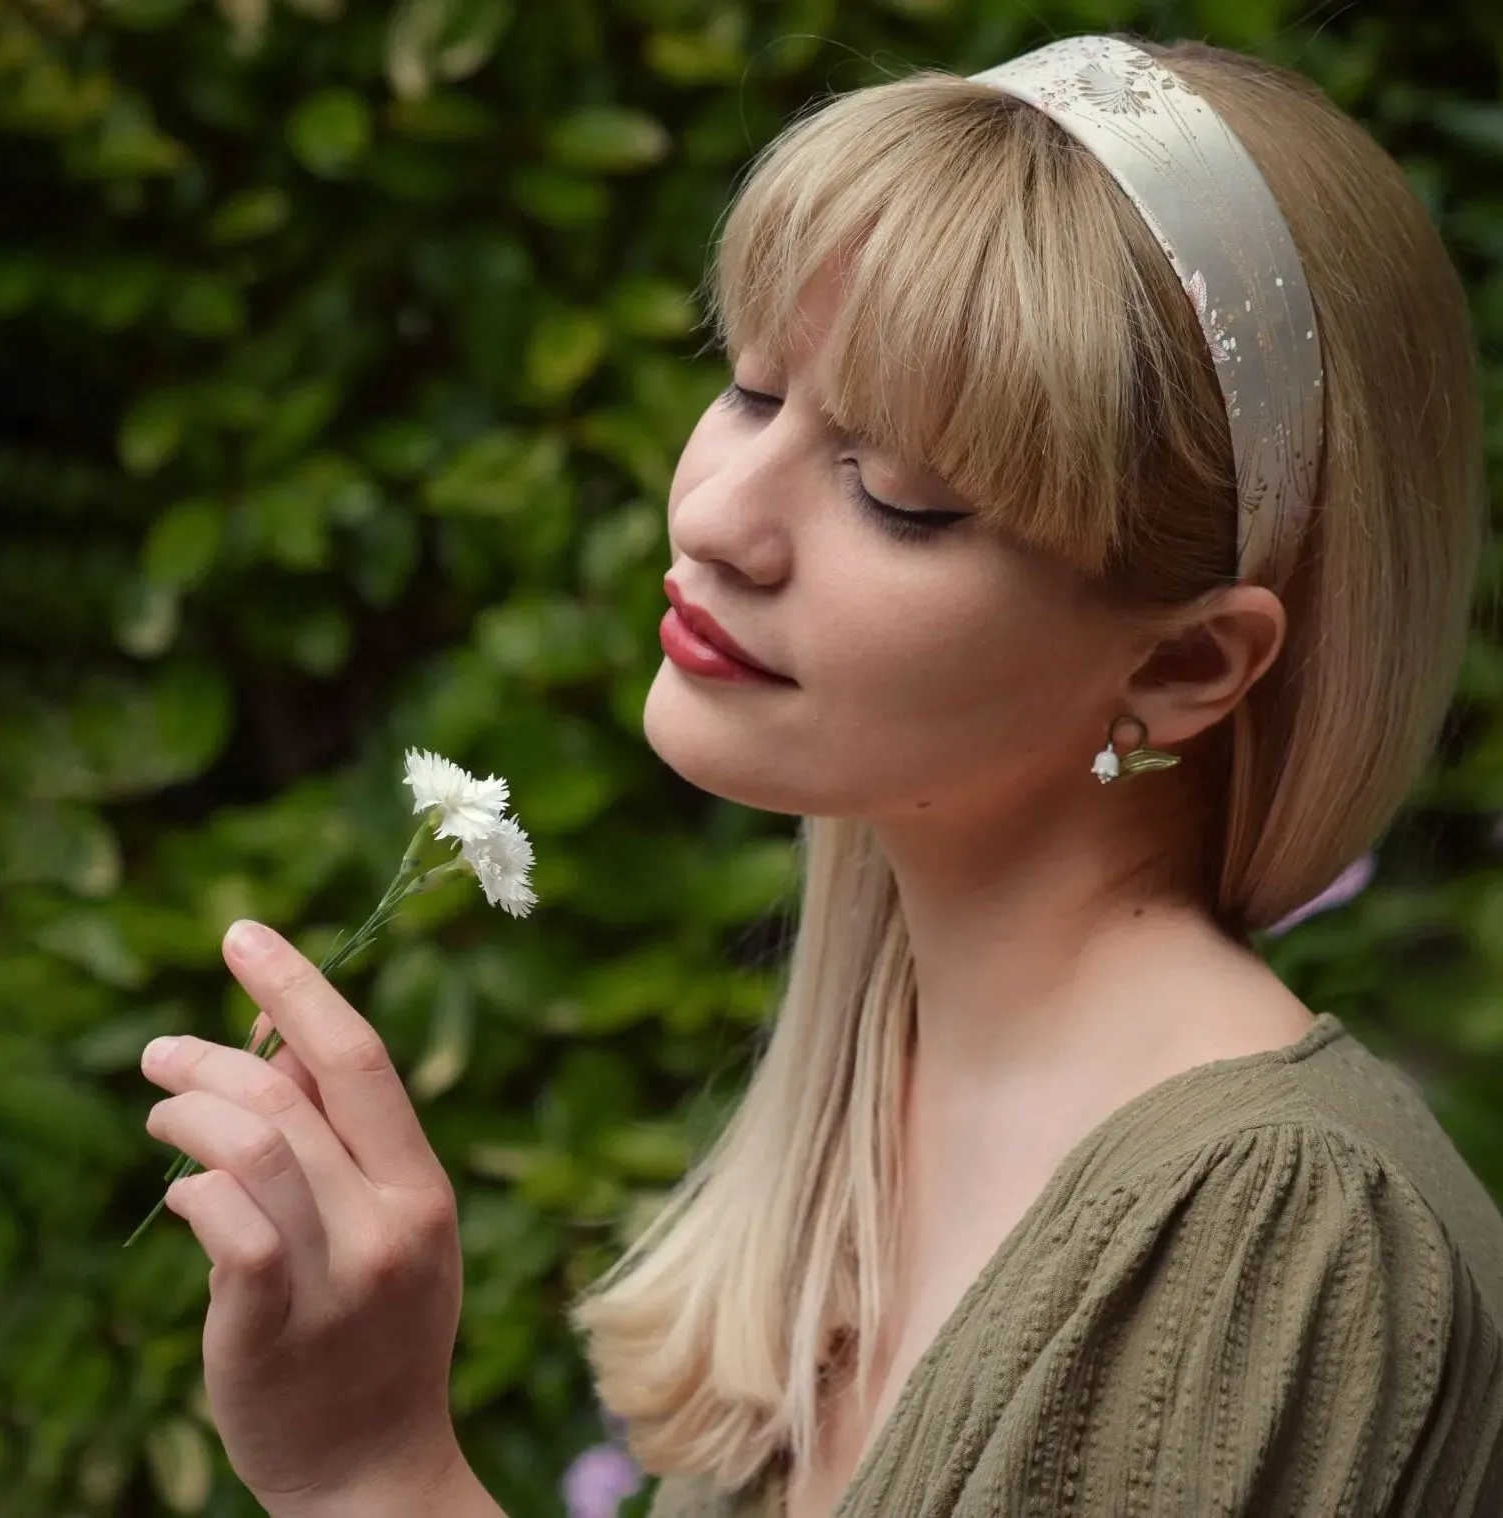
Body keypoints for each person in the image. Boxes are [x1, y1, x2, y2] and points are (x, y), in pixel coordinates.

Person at [137, 31, 1503, 1518]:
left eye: (900, 492)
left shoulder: (1275, 1238)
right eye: (746, 387)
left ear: (1184, 666)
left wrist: (381, 1474)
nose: (720, 511)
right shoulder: (883, 1096)